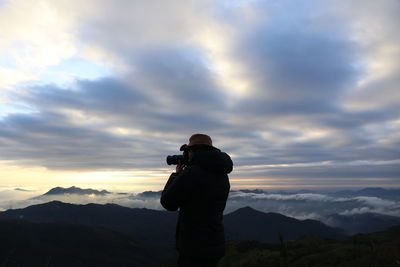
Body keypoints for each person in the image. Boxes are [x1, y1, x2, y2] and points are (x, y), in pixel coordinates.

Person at [160, 134, 233, 267]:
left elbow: (168, 202)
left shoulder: (192, 174)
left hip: (194, 248)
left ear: (193, 151)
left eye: (187, 151)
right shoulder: (222, 175)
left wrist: (176, 175)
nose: (185, 155)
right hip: (214, 243)